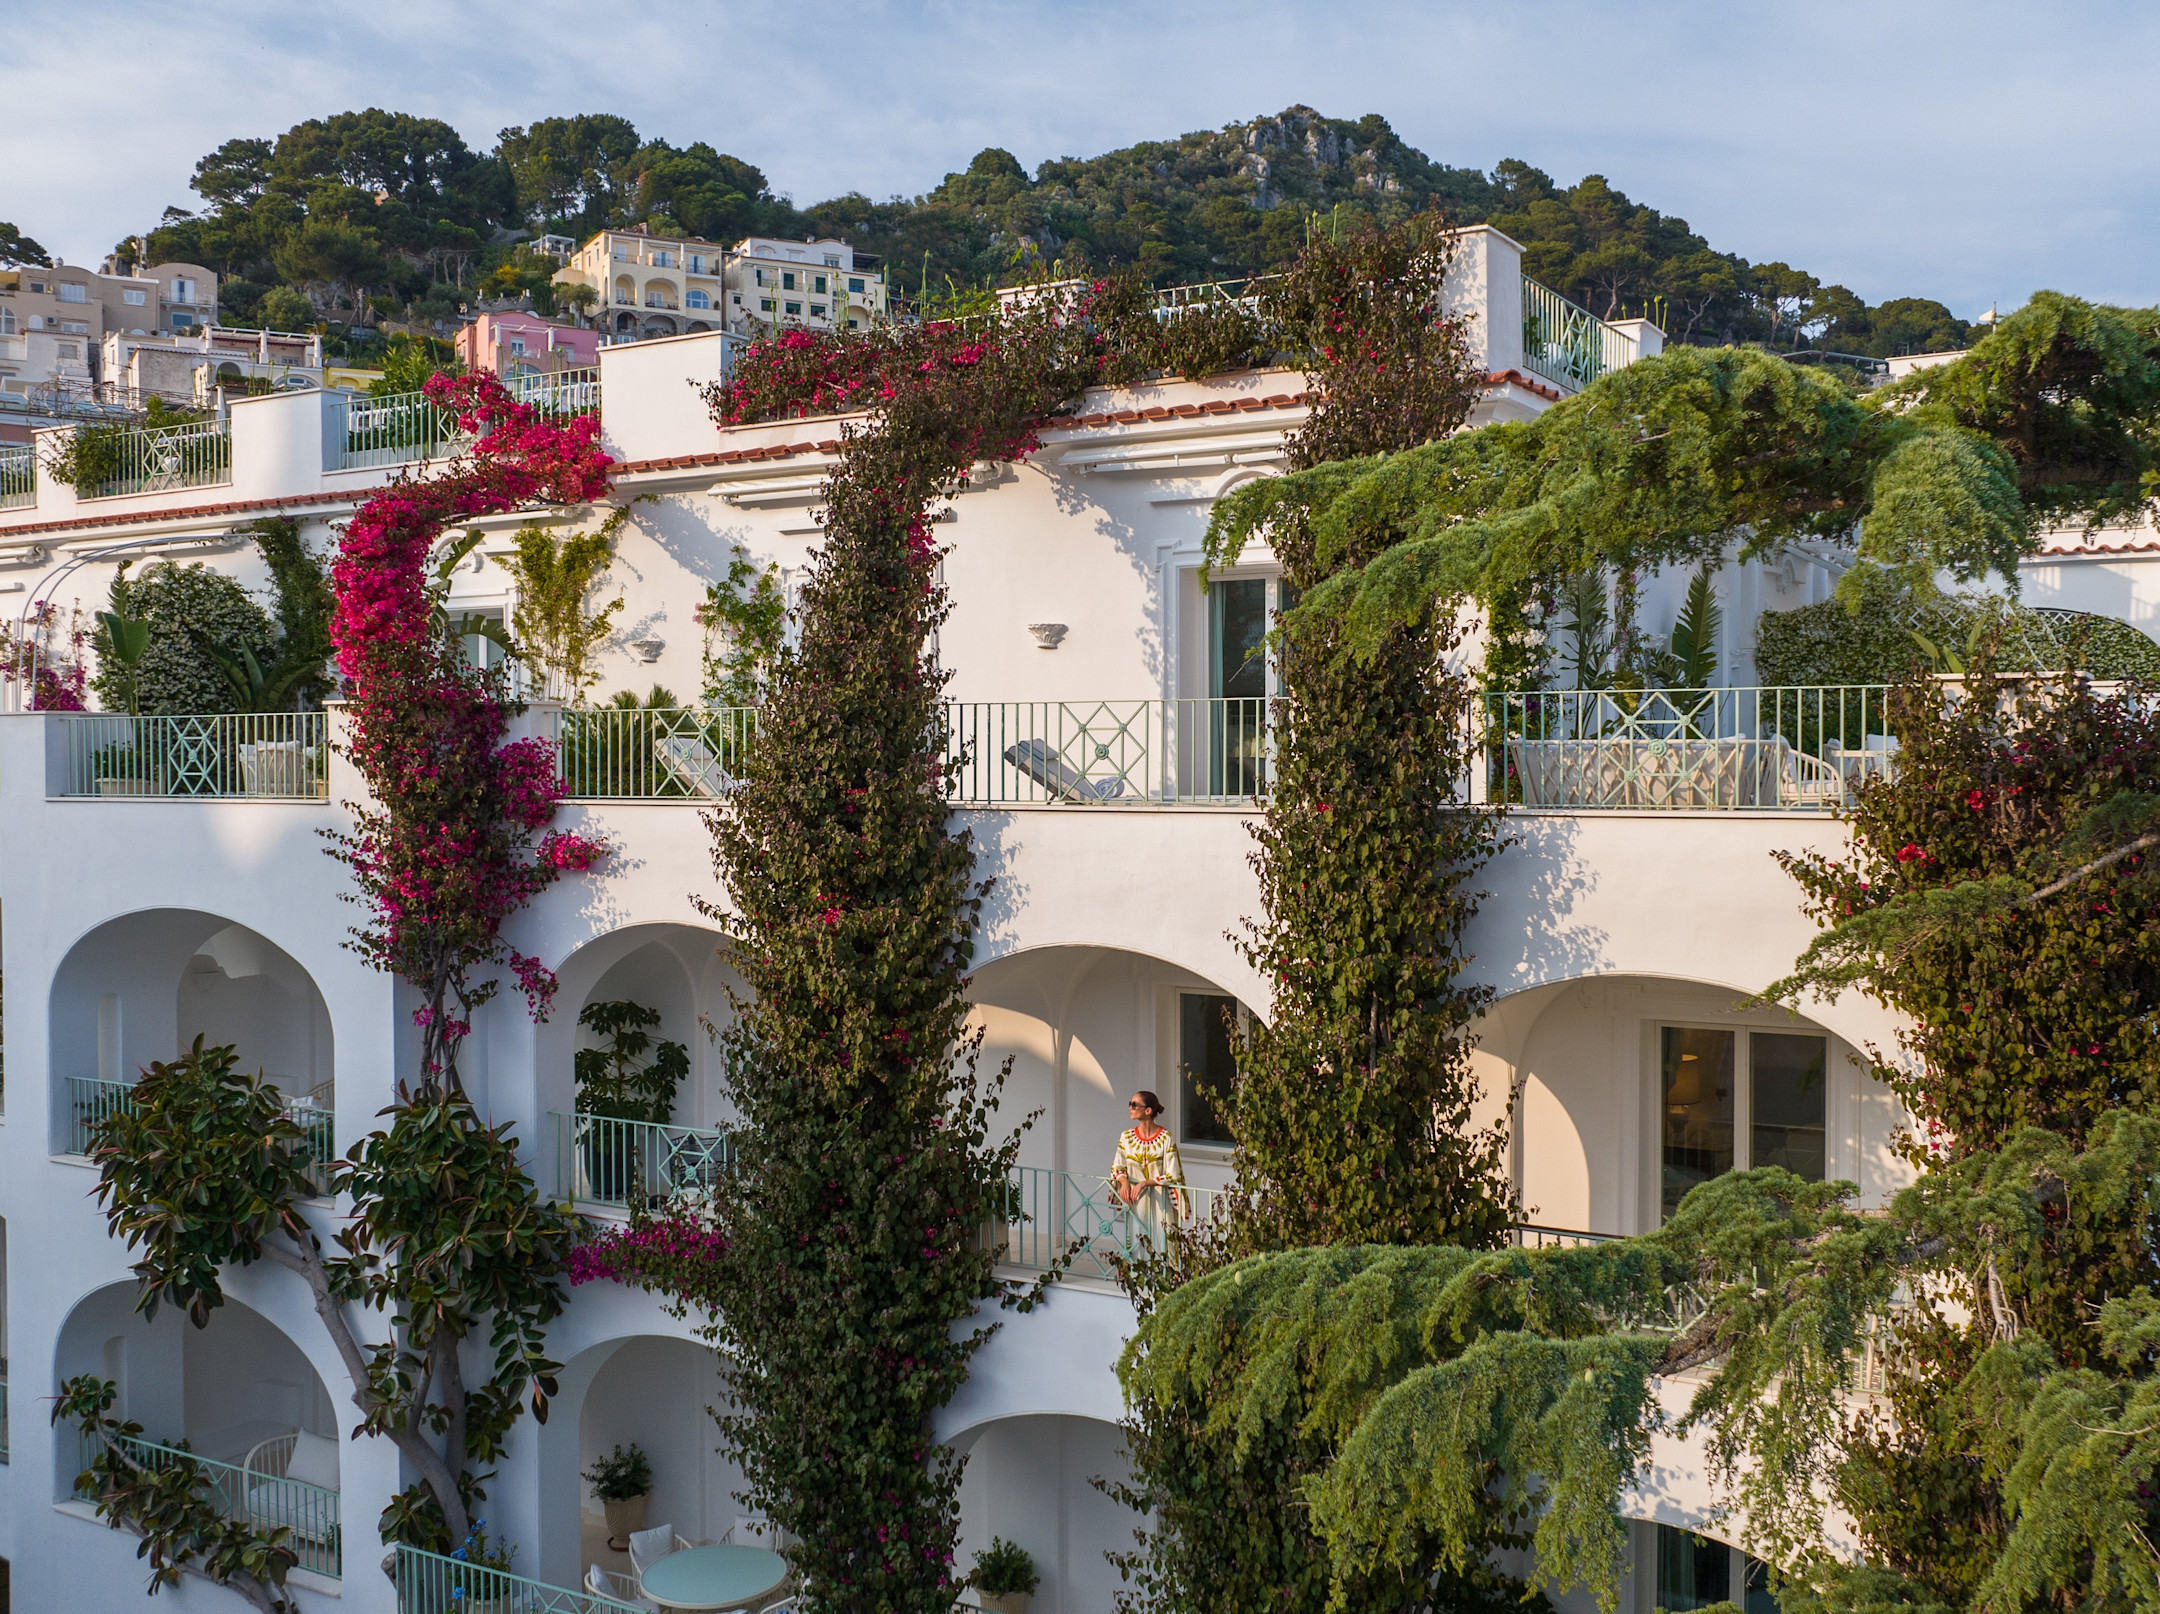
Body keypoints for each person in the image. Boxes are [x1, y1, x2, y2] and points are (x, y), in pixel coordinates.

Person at [1110, 1090, 1186, 1248]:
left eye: (1134, 1105)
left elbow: (1173, 1174)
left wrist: (1145, 1183)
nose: (1130, 1107)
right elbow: (1117, 1166)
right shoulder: (1126, 1137)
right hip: (1135, 1202)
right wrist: (1124, 1182)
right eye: (1130, 1104)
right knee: (1136, 1243)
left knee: (1163, 1242)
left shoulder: (1165, 1137)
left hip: (1160, 1201)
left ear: (1148, 1110)